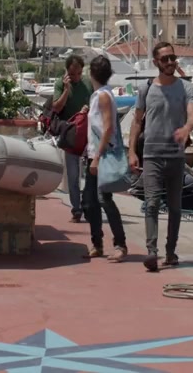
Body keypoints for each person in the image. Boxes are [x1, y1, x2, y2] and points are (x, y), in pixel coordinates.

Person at [128, 42, 193, 272]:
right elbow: (136, 122)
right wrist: (131, 152)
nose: (170, 62)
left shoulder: (186, 87)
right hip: (152, 156)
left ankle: (170, 252)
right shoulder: (146, 89)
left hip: (176, 157)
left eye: (172, 58)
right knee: (152, 203)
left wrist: (187, 128)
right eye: (165, 59)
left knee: (175, 208)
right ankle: (151, 252)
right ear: (155, 62)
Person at [82, 55, 128, 261]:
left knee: (103, 200)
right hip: (94, 154)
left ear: (91, 73)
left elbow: (108, 128)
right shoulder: (99, 96)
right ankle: (97, 243)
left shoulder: (103, 96)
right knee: (89, 202)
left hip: (102, 156)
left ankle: (120, 244)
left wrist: (97, 157)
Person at [51, 54, 92, 223]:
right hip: (70, 134)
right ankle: (76, 209)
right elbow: (56, 107)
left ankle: (87, 205)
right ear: (67, 72)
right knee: (73, 175)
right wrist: (66, 90)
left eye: (79, 73)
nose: (76, 77)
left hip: (88, 134)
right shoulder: (60, 84)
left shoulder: (88, 83)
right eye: (72, 74)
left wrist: (88, 108)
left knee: (90, 175)